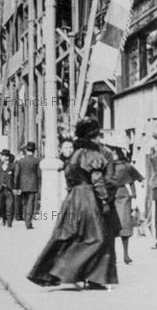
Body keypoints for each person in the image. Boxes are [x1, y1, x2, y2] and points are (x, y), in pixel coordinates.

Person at [28, 117, 121, 289]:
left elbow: (70, 179)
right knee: (98, 238)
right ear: (92, 136)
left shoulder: (74, 156)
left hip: (72, 199)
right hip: (87, 198)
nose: (98, 139)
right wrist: (104, 199)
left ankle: (57, 272)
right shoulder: (91, 155)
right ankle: (77, 274)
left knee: (71, 235)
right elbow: (97, 179)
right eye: (97, 135)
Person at [105, 138, 143, 264]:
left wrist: (133, 193)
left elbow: (131, 180)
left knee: (124, 225)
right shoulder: (107, 165)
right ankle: (113, 255)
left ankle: (125, 254)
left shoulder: (125, 166)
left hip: (121, 196)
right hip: (110, 196)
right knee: (111, 226)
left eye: (114, 152)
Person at [14, 142, 41, 229]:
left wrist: (16, 186)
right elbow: (39, 174)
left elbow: (17, 174)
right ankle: (28, 222)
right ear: (34, 150)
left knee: (25, 203)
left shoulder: (20, 161)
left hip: (23, 185)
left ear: (26, 150)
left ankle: (26, 219)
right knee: (31, 204)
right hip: (33, 185)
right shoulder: (37, 161)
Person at [0, 150, 15, 227]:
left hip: (9, 189)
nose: (1, 157)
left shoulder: (12, 166)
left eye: (2, 155)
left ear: (6, 157)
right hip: (0, 189)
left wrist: (14, 187)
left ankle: (9, 223)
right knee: (0, 206)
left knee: (10, 206)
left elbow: (15, 177)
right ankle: (3, 218)